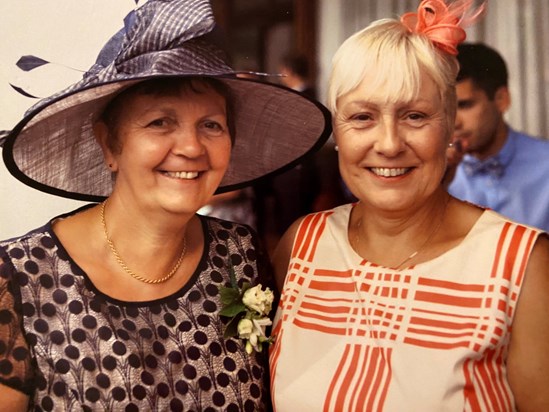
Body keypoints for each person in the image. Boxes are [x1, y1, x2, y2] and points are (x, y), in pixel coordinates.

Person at [0, 0, 331, 410]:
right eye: (160, 122)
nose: (192, 147)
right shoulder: (18, 276)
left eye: (211, 125)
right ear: (109, 143)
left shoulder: (240, 254)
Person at [269, 1, 549, 411]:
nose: (388, 143)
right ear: (337, 131)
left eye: (415, 116)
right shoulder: (302, 245)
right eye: (362, 117)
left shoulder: (521, 265)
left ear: (450, 124)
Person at [447, 42, 549, 231]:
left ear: (502, 100)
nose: (453, 122)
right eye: (445, 109)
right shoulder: (437, 173)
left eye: (464, 105)